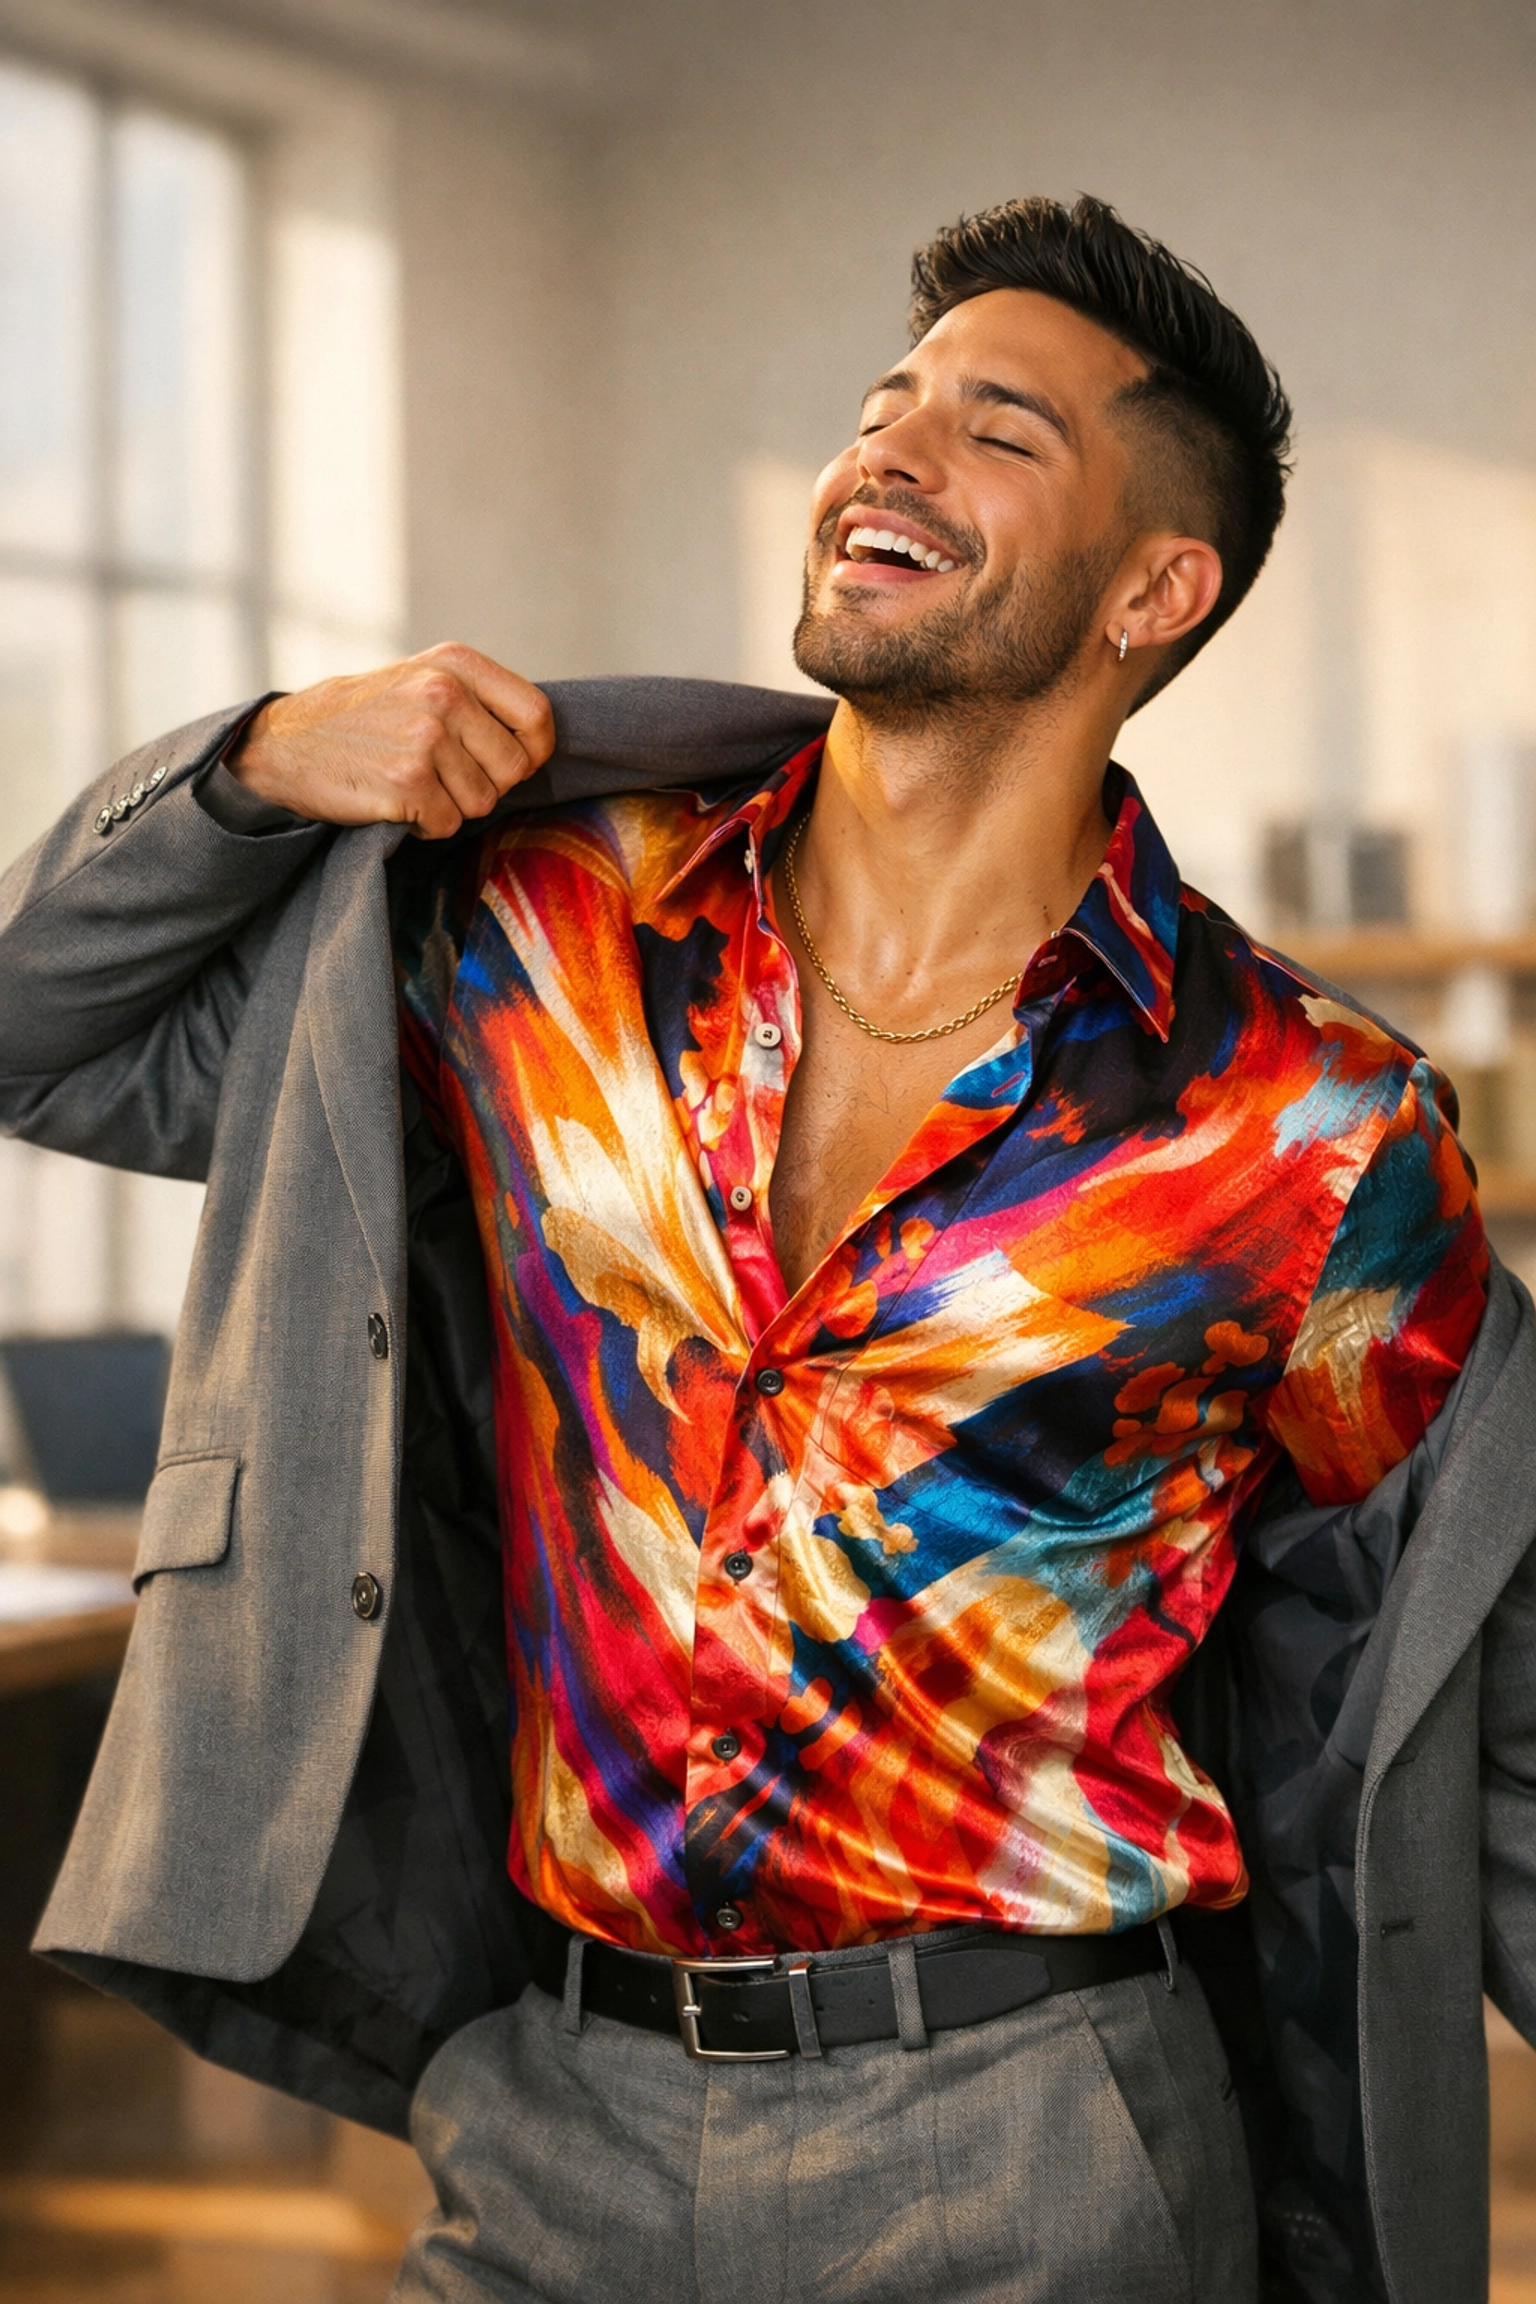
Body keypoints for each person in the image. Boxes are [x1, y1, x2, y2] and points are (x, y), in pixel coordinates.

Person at [4, 195, 1533, 2304]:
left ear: (1152, 589)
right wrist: (251, 772)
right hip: (549, 2110)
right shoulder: (529, 932)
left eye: (998, 431)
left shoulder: (1307, 1126)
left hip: (1037, 2149)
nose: (887, 455)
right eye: (882, 406)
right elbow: (38, 1039)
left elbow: (1483, 1673)